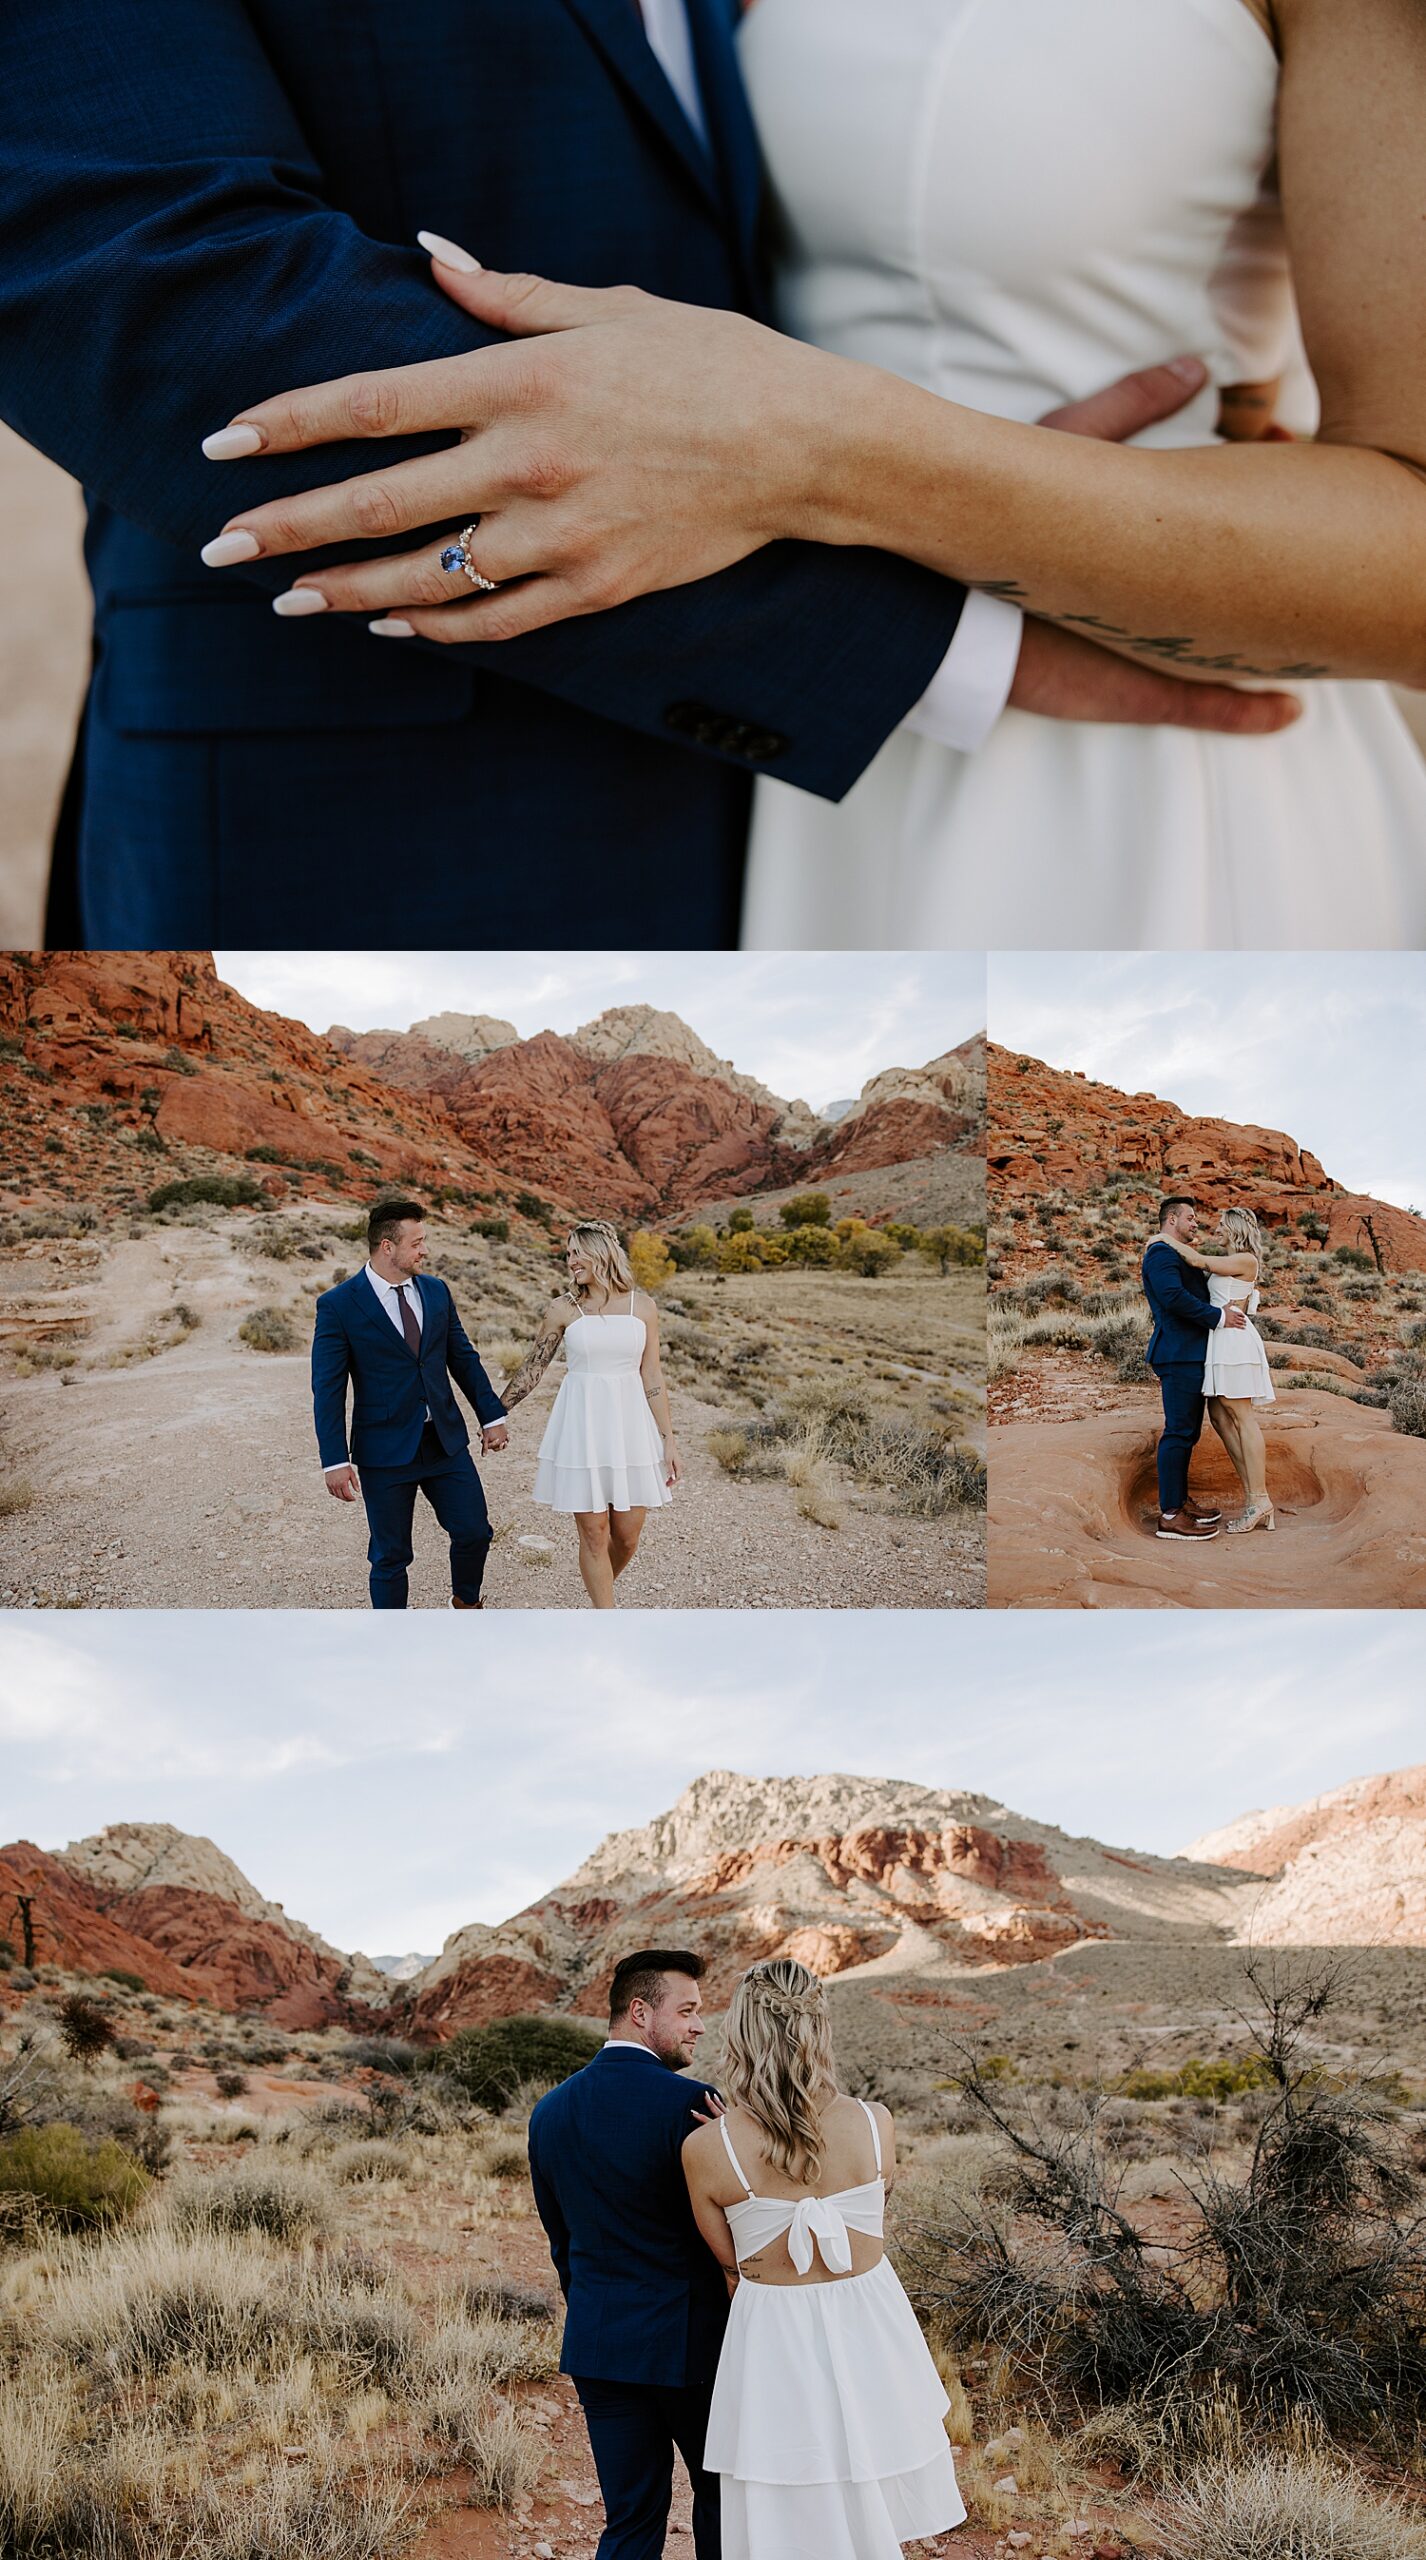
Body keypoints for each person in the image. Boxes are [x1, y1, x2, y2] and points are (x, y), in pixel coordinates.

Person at [4, 0, 1303, 945]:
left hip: (885, 827)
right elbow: (138, 284)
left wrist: (1024, 493)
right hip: (384, 837)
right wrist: (920, 606)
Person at [683, 1958, 965, 2558]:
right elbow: (873, 2212)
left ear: (741, 2034)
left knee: (791, 2504)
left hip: (773, 2333)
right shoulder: (875, 2122)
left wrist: (728, 2135)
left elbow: (732, 2266)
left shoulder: (706, 2150)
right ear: (819, 2027)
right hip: (869, 2318)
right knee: (867, 2481)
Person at [527, 1950, 729, 2560]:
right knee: (721, 2503)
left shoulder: (549, 2112)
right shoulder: (695, 2106)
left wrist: (598, 2308)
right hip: (695, 2348)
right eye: (687, 2011)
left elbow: (561, 2241)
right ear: (640, 2012)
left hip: (601, 2344)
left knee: (631, 2519)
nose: (698, 2026)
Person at [310, 1197, 508, 1608]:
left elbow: (463, 1358)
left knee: (475, 1531)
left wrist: (491, 1415)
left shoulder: (435, 1292)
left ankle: (467, 1605)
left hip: (444, 1443)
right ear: (387, 1247)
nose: (424, 1251)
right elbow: (328, 1388)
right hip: (384, 1452)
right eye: (416, 1243)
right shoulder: (339, 1305)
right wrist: (334, 1460)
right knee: (390, 1556)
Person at [501, 1222, 679, 1609]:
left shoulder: (642, 1306)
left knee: (627, 1535)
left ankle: (599, 1597)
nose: (571, 1261)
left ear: (603, 1253)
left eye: (578, 1252)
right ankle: (604, 1620)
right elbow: (534, 1366)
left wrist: (668, 1438)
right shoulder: (563, 1308)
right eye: (568, 1254)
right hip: (582, 1428)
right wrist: (496, 1412)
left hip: (631, 1428)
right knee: (595, 1535)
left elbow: (652, 1374)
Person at [1159, 1205, 1277, 1533]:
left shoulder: (1245, 1259)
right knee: (1220, 1417)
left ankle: (1259, 1499)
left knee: (1241, 1417)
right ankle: (1255, 1497)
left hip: (1234, 1342)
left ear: (1236, 1228)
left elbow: (1198, 1261)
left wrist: (1161, 1238)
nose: (1216, 1230)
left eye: (1222, 1225)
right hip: (1220, 1340)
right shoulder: (1231, 1261)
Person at [1140, 1198, 1247, 1543]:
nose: (1195, 1222)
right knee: (1178, 1432)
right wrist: (1218, 1317)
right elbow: (1171, 1297)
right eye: (1190, 1217)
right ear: (1171, 1219)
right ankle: (1170, 1515)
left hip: (1191, 1354)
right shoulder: (1161, 1254)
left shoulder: (1177, 1252)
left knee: (1188, 1433)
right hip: (1178, 1353)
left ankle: (1180, 1502)